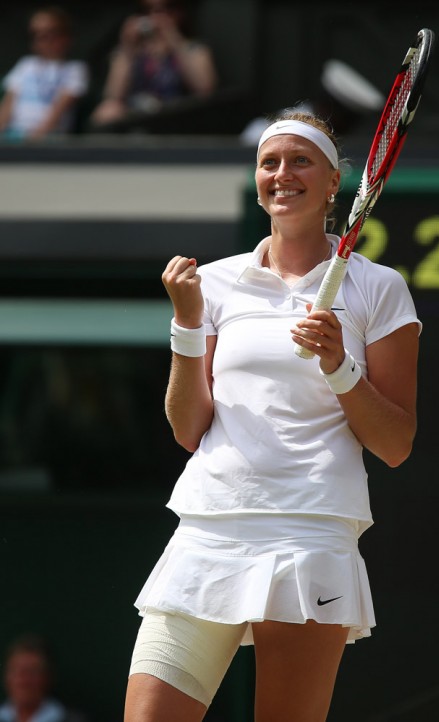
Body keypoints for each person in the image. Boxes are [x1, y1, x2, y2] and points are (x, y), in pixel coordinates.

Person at [123, 110, 421, 722]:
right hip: (208, 528)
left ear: (334, 182)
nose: (282, 174)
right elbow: (187, 429)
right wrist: (186, 323)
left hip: (310, 534)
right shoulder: (213, 284)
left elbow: (395, 443)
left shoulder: (380, 287)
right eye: (269, 162)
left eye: (300, 161)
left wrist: (339, 365)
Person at [89, 0, 217, 128]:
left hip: (178, 112)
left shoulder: (194, 49)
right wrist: (127, 48)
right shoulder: (129, 51)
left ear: (180, 12)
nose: (156, 16)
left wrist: (174, 40)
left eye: (166, 8)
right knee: (107, 111)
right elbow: (113, 96)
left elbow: (205, 91)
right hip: (136, 114)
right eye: (147, 10)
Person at [0, 7, 89, 140]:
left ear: (66, 36)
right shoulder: (25, 65)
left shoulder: (75, 69)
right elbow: (7, 105)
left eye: (50, 33)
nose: (41, 38)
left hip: (50, 138)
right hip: (13, 135)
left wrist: (34, 139)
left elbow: (59, 111)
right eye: (35, 34)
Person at [0, 634, 90, 722]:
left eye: (32, 673)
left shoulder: (72, 719)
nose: (23, 681)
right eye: (17, 672)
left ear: (46, 678)